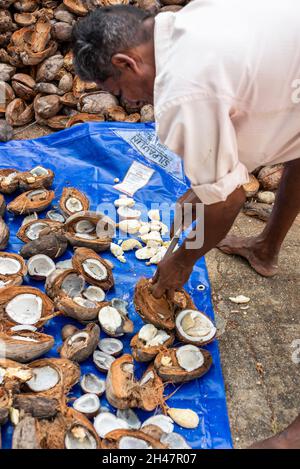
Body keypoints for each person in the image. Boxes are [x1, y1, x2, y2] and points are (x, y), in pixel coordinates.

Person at [72, 0, 300, 448]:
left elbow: (229, 198)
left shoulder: (182, 91)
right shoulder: (188, 18)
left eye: (118, 88)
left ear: (126, 61)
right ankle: (267, 247)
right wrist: (204, 191)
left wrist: (183, 259)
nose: (129, 101)